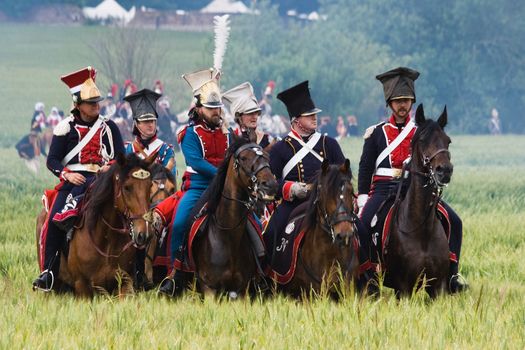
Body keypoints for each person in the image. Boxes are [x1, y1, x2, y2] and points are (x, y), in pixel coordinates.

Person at [357, 67, 467, 293]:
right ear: (389, 103)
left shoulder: (422, 132)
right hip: (383, 190)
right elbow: (366, 167)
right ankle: (367, 277)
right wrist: (362, 198)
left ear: (412, 102)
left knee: (454, 222)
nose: (402, 105)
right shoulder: (377, 133)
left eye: (406, 100)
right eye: (397, 101)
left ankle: (452, 275)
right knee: (361, 226)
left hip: (414, 189)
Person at [32, 66, 125, 292]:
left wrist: (109, 168)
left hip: (104, 179)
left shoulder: (109, 126)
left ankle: (138, 271)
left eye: (97, 102)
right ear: (77, 105)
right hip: (74, 180)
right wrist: (66, 174)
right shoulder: (65, 127)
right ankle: (49, 273)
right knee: (53, 222)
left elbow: (122, 158)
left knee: (132, 216)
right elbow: (52, 160)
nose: (96, 106)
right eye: (91, 103)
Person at [158, 67, 230, 295]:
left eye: (217, 107)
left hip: (228, 186)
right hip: (199, 187)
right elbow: (197, 162)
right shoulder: (189, 133)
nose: (216, 111)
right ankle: (175, 273)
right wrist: (223, 174)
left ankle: (260, 270)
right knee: (180, 223)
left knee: (255, 221)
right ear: (199, 109)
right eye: (210, 108)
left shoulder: (228, 131)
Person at [264, 81, 349, 259]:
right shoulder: (280, 149)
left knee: (358, 229)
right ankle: (266, 278)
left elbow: (344, 174)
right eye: (308, 115)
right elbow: (271, 184)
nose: (314, 118)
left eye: (314, 114)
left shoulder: (329, 143)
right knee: (271, 233)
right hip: (293, 204)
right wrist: (291, 189)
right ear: (296, 120)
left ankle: (364, 275)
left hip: (327, 202)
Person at [124, 89, 176, 176]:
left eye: (152, 121)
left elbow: (170, 178)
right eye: (146, 122)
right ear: (136, 124)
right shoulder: (127, 148)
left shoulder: (165, 150)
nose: (150, 125)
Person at [222, 81, 273, 149]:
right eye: (250, 113)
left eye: (256, 113)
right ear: (239, 117)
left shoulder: (266, 139)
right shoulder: (229, 138)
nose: (255, 117)